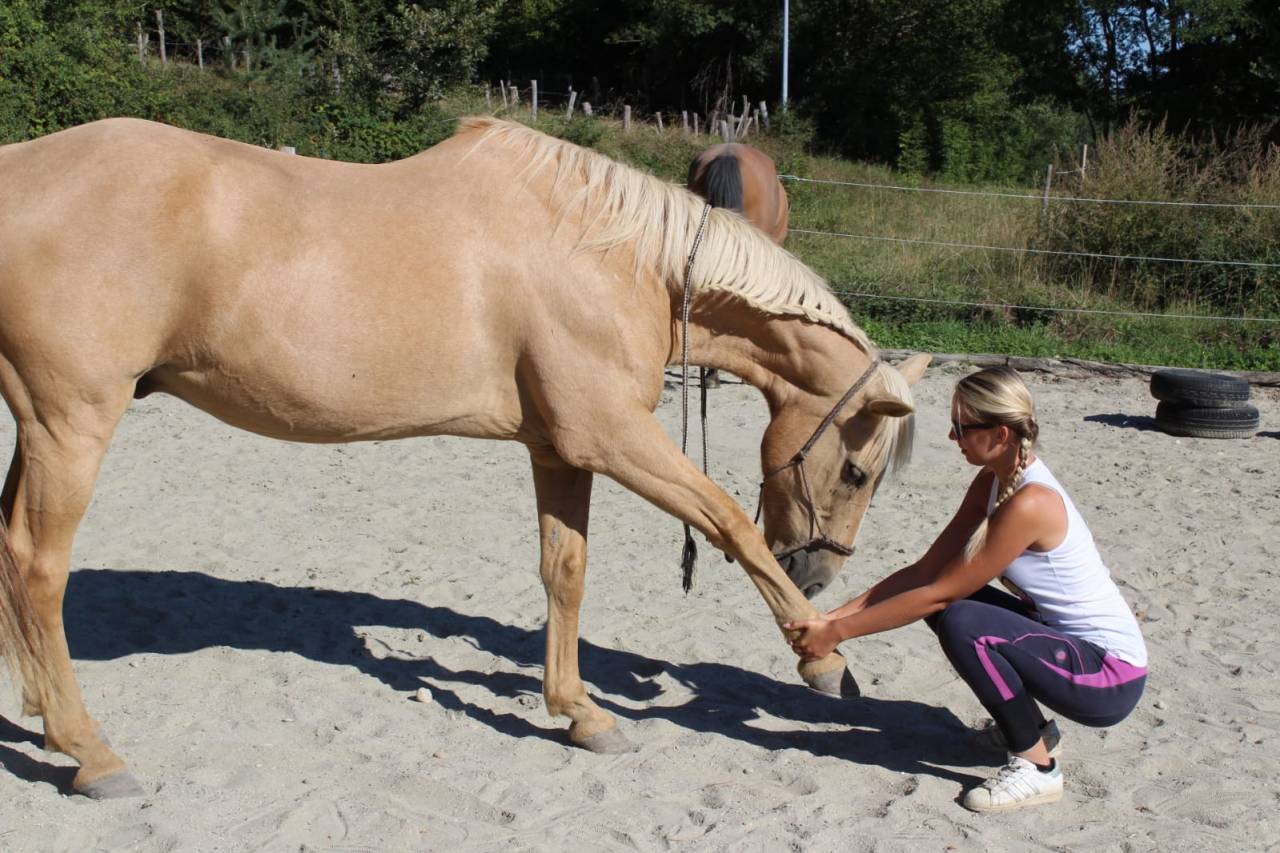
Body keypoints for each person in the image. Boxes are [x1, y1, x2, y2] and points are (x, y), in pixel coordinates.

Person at [784, 367, 1148, 812]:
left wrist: (839, 635)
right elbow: (925, 572)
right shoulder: (993, 481)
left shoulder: (1031, 502)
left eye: (961, 426)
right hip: (1068, 646)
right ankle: (1035, 731)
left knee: (960, 617)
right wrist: (830, 620)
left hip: (1107, 678)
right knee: (957, 606)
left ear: (998, 434)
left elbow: (937, 593)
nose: (952, 436)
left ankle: (1038, 769)